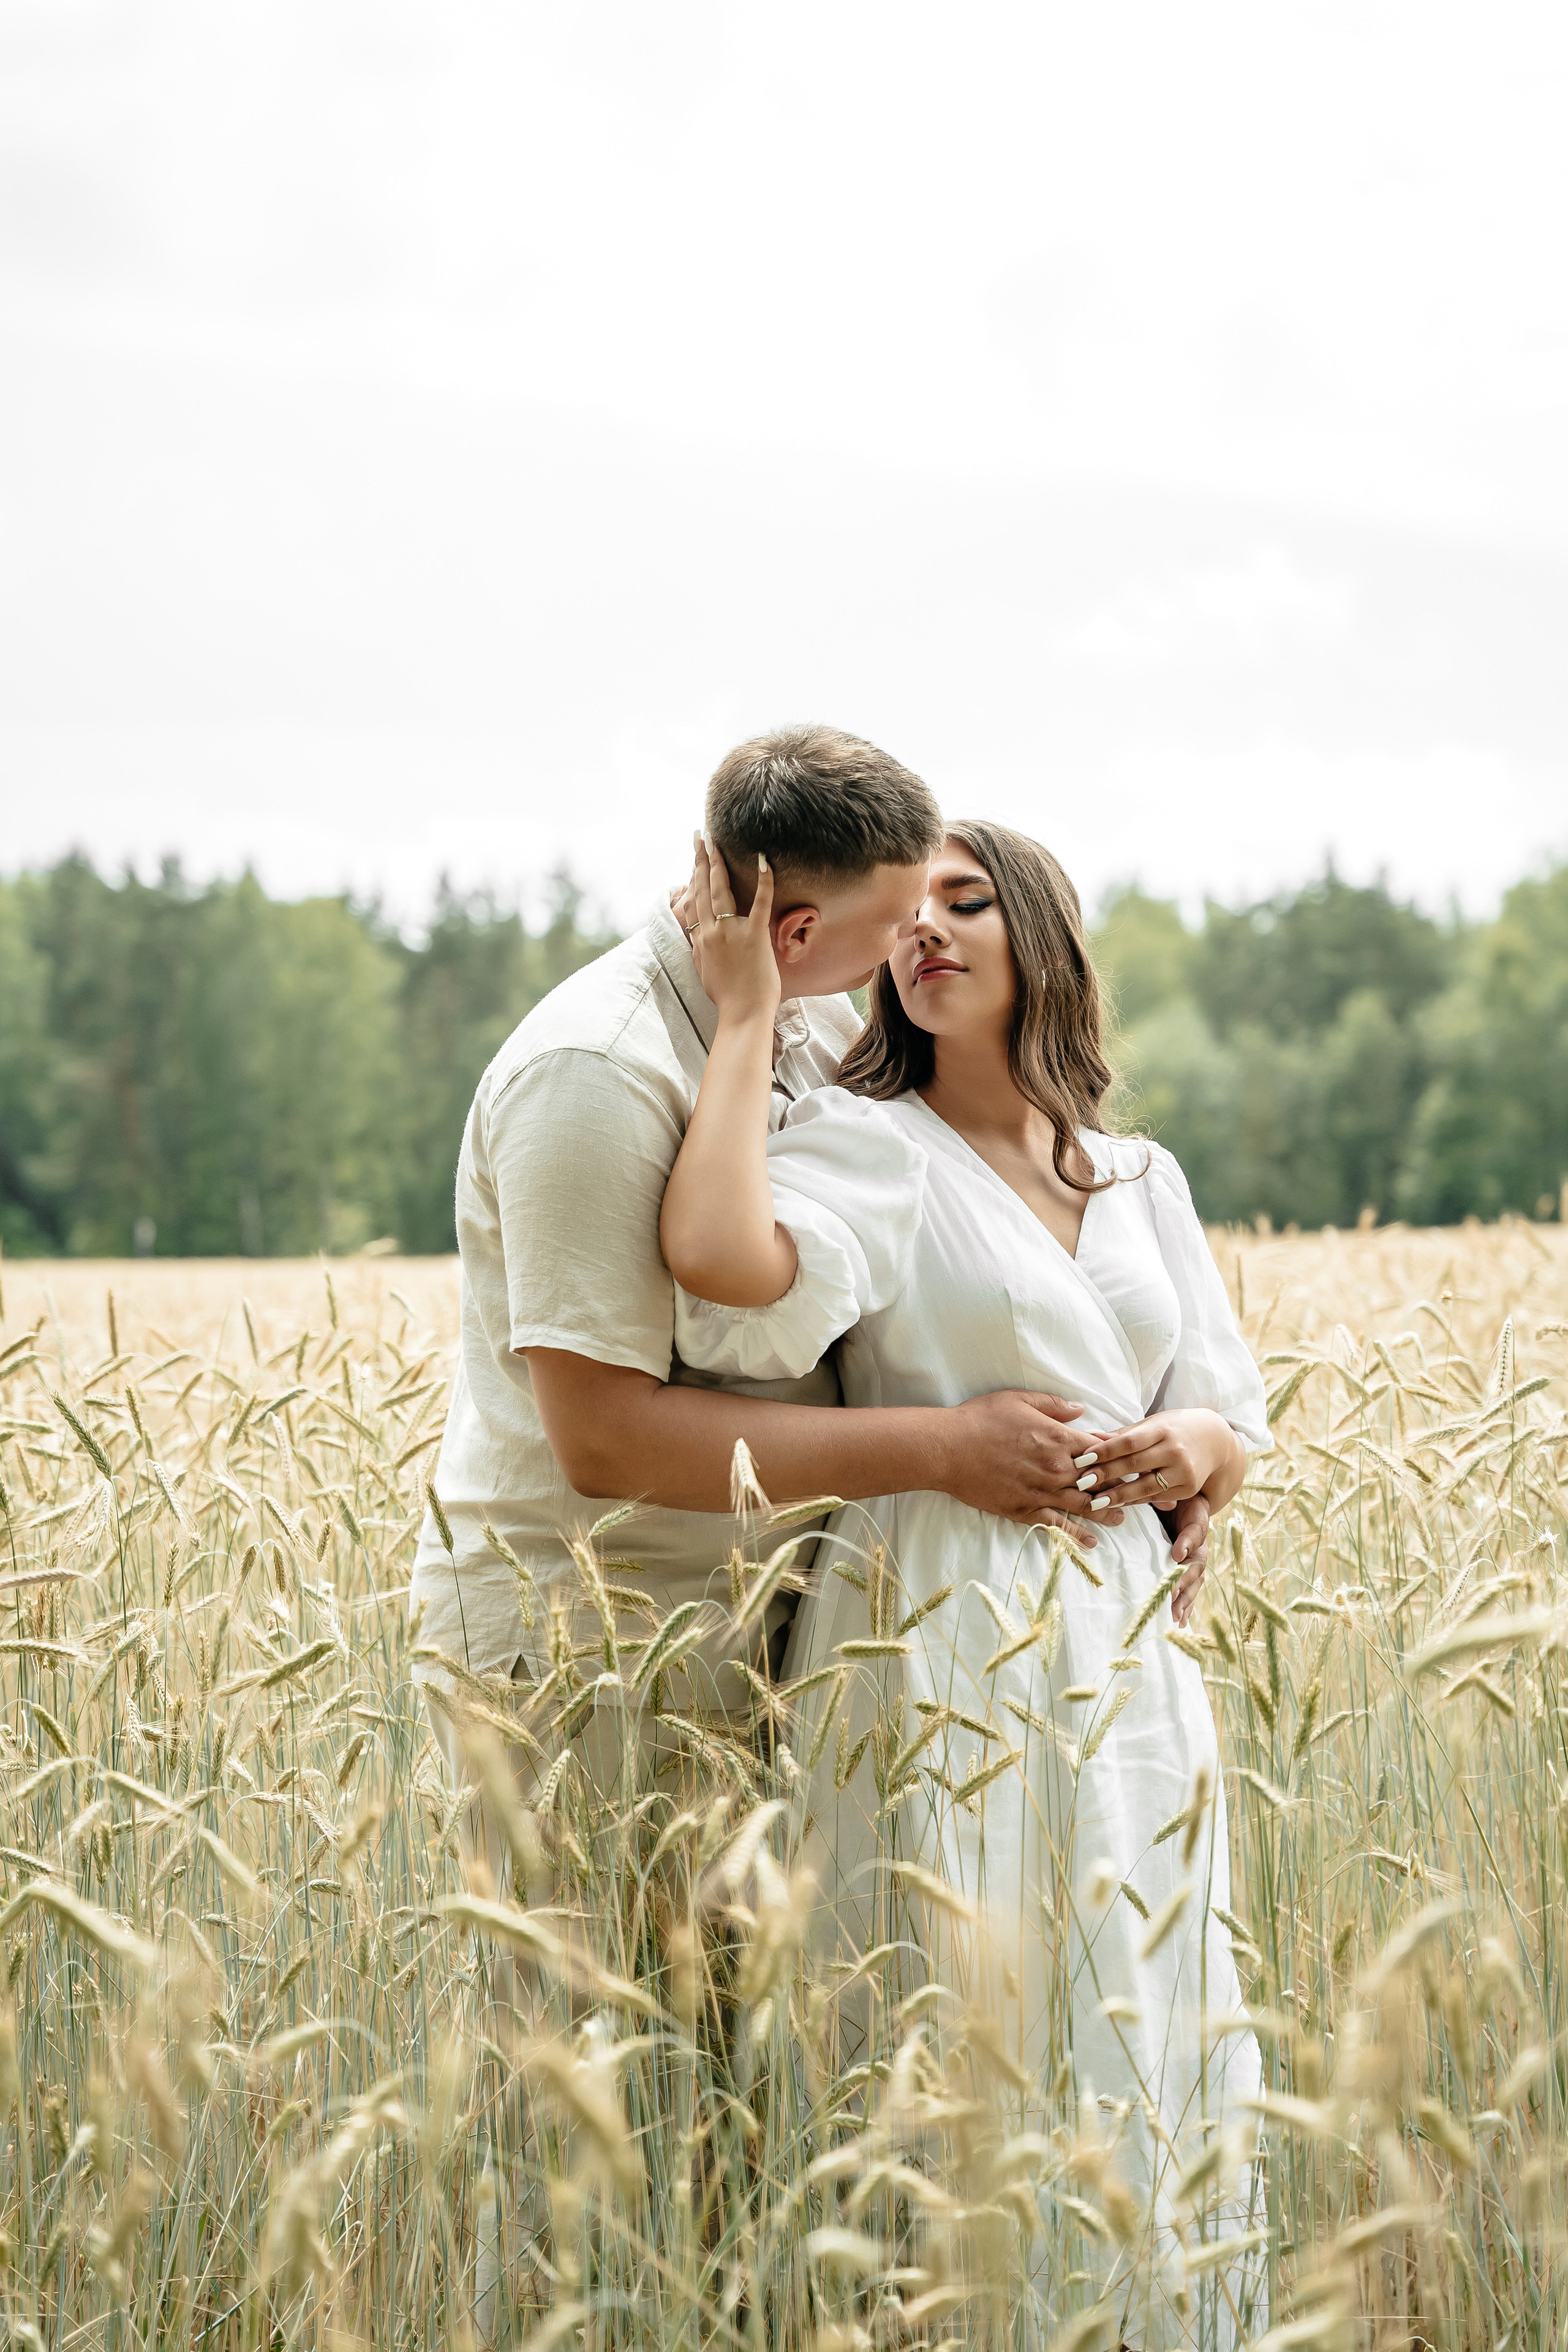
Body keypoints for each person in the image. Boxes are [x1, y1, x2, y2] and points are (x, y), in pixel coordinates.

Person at [660, 820, 1268, 2345]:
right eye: (905, 909)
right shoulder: (868, 1144)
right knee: (945, 2005)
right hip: (933, 1630)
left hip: (1124, 1649)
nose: (925, 928)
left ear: (1038, 934)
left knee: (1132, 1995)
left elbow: (1226, 1409)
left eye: (965, 899)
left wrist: (1190, 1449)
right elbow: (728, 1293)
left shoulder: (1134, 1175)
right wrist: (747, 1020)